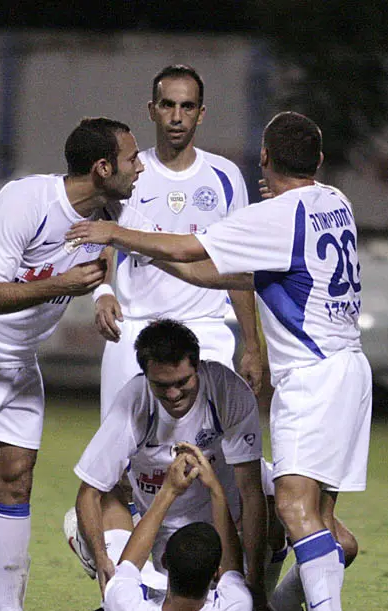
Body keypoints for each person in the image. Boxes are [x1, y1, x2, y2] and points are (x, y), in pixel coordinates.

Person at [65, 111, 371, 611]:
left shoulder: (277, 214)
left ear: (264, 159)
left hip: (313, 375)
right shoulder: (335, 201)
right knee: (326, 524)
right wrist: (154, 256)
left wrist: (115, 233)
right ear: (319, 162)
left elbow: (192, 247)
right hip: (350, 370)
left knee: (296, 509)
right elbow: (230, 274)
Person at [0, 116, 152, 611]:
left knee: (17, 479)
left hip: (18, 357)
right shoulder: (26, 201)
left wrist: (99, 295)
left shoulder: (111, 210)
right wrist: (63, 284)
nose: (139, 166)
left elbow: (102, 257)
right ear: (102, 168)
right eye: (131, 158)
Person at [63, 320, 268, 611]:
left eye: (182, 382)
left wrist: (254, 582)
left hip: (220, 527)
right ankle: (95, 548)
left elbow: (250, 491)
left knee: (272, 494)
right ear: (146, 376)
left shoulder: (227, 392)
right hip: (159, 532)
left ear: (197, 366)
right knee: (108, 492)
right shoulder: (134, 401)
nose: (172, 394)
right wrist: (103, 559)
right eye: (161, 385)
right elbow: (88, 491)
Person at [93, 64, 262, 419]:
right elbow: (105, 237)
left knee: (207, 454)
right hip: (137, 326)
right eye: (167, 105)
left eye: (187, 107)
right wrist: (103, 292)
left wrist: (252, 346)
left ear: (200, 114)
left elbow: (238, 266)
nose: (176, 116)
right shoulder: (130, 172)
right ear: (151, 110)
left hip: (206, 329)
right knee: (122, 456)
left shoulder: (226, 177)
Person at [100, 443, 253, 611]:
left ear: (164, 560)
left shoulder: (124, 609)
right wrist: (216, 489)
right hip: (161, 603)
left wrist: (168, 491)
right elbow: (233, 567)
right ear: (216, 575)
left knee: (109, 499)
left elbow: (129, 564)